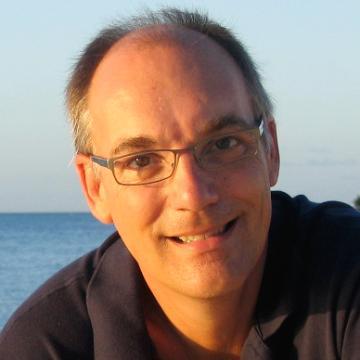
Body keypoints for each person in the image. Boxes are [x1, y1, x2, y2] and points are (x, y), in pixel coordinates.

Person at [1, 8, 359, 359]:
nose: (193, 194)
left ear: (271, 151)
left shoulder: (348, 274)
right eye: (141, 161)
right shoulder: (47, 345)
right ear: (95, 187)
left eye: (224, 143)